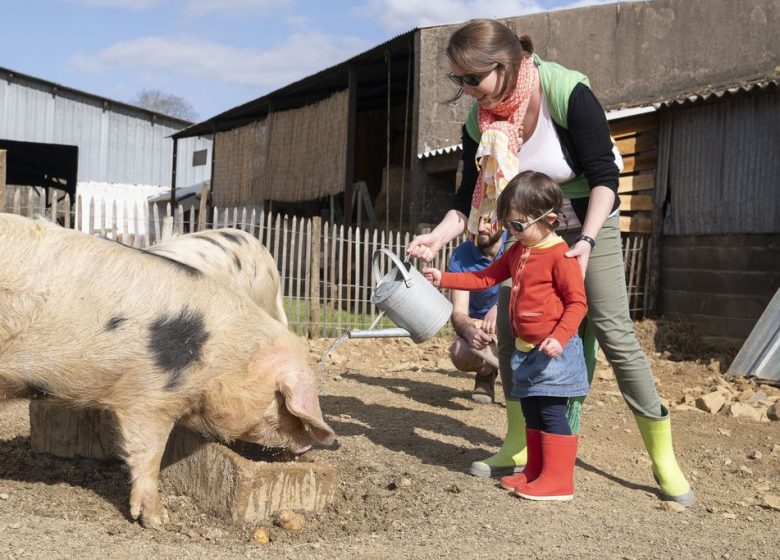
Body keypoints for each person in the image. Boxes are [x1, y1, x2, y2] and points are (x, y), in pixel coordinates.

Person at [407, 18, 693, 505]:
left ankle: (663, 456)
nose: (466, 90)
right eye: (458, 80)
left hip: (585, 217)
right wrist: (435, 239)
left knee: (613, 329)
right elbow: (466, 200)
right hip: (523, 226)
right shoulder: (480, 121)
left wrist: (584, 242)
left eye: (471, 79)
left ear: (503, 66)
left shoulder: (564, 91)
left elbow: (605, 175)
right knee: (513, 327)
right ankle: (517, 444)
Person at [425, 172, 589, 500]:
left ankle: (559, 481)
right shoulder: (518, 252)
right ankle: (534, 471)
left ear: (551, 219)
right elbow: (485, 278)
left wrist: (560, 336)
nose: (512, 233)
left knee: (551, 412)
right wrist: (444, 278)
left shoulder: (560, 256)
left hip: (554, 353)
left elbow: (578, 302)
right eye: (508, 226)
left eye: (518, 225)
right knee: (531, 410)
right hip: (526, 350)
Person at [447, 214, 505, 404]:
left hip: (516, 321)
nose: (480, 228)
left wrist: (501, 306)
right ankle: (486, 372)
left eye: (488, 221)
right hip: (482, 328)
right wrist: (471, 331)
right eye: (476, 220)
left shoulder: (517, 246)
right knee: (460, 352)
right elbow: (459, 313)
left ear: (504, 221)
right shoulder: (461, 255)